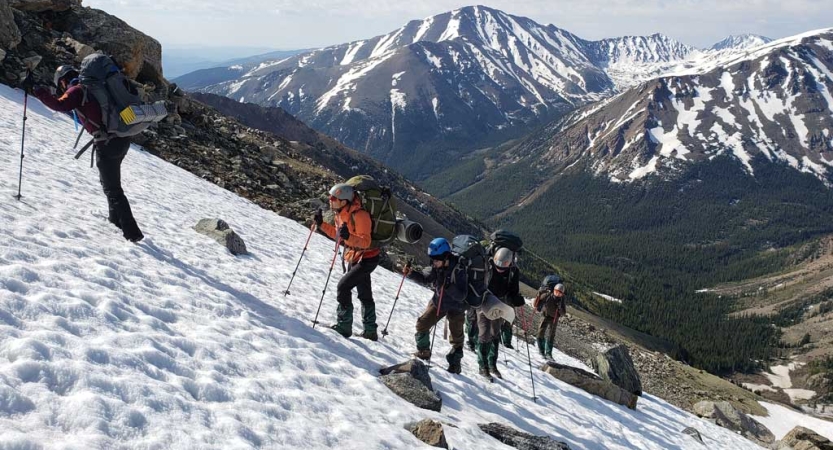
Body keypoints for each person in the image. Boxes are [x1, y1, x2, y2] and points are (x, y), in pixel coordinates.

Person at [33, 65, 144, 242]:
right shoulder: (95, 86)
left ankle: (132, 233)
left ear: (63, 80)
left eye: (61, 86)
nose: (62, 89)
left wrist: (38, 91)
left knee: (113, 188)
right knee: (109, 183)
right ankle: (114, 220)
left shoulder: (77, 90)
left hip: (106, 143)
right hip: (122, 139)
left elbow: (59, 104)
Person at [313, 183, 380, 340]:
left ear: (344, 201)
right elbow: (339, 236)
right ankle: (370, 331)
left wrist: (349, 237)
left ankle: (344, 327)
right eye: (330, 197)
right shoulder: (340, 213)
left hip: (367, 258)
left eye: (334, 198)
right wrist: (321, 225)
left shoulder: (360, 215)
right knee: (365, 293)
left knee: (343, 287)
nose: (330, 200)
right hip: (355, 256)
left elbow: (365, 242)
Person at [405, 238, 468, 374]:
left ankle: (455, 364)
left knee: (457, 338)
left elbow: (462, 295)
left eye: (436, 260)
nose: (434, 262)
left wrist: (448, 286)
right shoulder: (437, 266)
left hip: (457, 307)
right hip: (439, 301)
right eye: (432, 259)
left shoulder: (459, 269)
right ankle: (424, 352)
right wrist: (412, 273)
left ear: (446, 257)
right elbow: (426, 277)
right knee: (422, 324)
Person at [477, 247, 524, 380]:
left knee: (494, 333)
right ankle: (483, 366)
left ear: (510, 263)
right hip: (484, 300)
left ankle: (492, 365)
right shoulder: (488, 265)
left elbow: (513, 291)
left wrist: (516, 299)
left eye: (504, 265)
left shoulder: (513, 272)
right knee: (484, 333)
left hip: (500, 304)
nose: (500, 267)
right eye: (498, 264)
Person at [533, 282, 566, 359]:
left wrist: (560, 308)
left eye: (560, 293)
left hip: (554, 317)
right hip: (545, 315)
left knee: (551, 335)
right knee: (540, 332)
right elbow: (536, 303)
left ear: (562, 294)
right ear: (553, 290)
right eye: (556, 291)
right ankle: (541, 350)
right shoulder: (548, 295)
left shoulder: (562, 299)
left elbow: (563, 312)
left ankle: (548, 353)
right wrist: (539, 294)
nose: (557, 294)